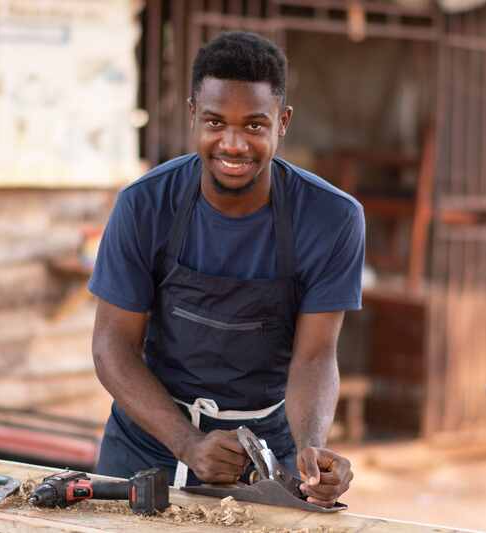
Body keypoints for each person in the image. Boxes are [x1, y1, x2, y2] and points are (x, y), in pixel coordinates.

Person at [89, 31, 364, 507]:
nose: (233, 144)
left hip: (261, 454)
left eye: (255, 125)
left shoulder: (331, 218)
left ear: (283, 122)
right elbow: (112, 346)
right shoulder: (144, 206)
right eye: (215, 121)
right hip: (145, 442)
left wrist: (309, 447)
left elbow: (315, 356)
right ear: (193, 113)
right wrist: (187, 443)